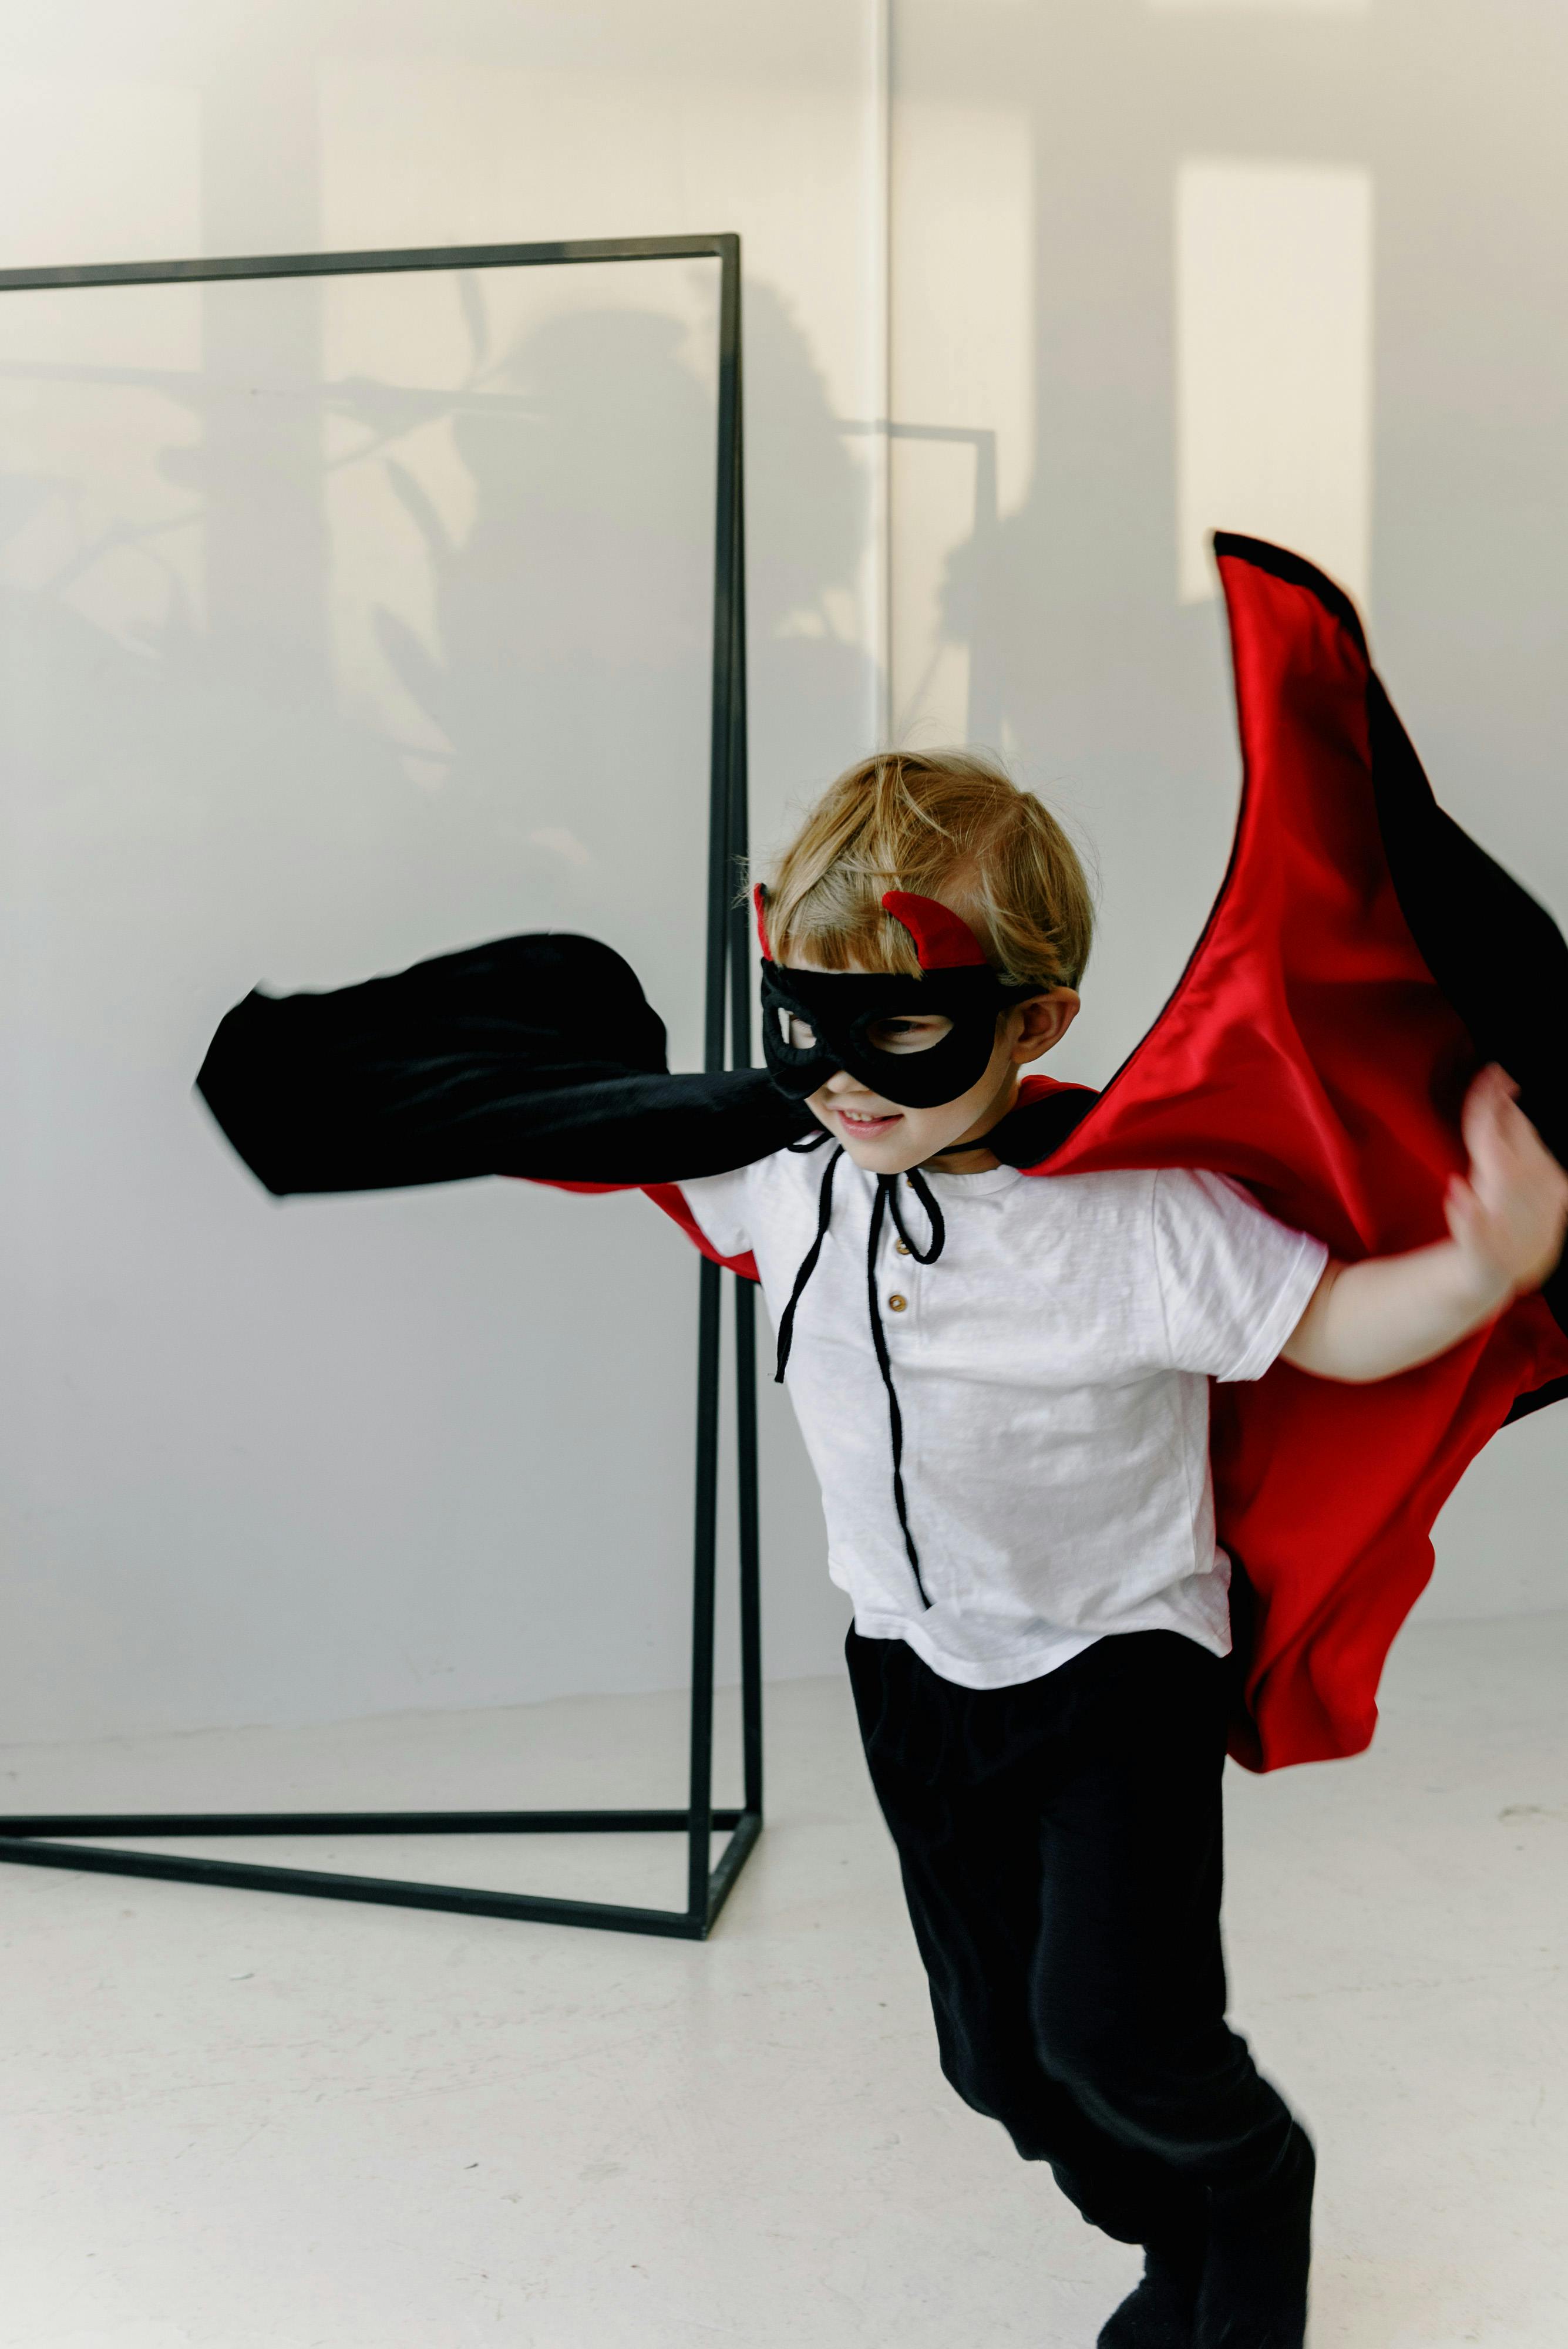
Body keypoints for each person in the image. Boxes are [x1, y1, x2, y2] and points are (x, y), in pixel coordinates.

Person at [668, 748, 1568, 2349]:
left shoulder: (1131, 1217)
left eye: (905, 1028)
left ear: (1039, 1022)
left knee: (1114, 2028)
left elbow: (1337, 1330)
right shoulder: (788, 1179)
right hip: (913, 1669)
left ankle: (1252, 2189)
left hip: (1119, 1668)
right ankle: (1173, 2226)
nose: (845, 1077)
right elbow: (619, 1137)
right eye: (804, 1020)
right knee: (995, 2062)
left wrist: (1483, 1265)